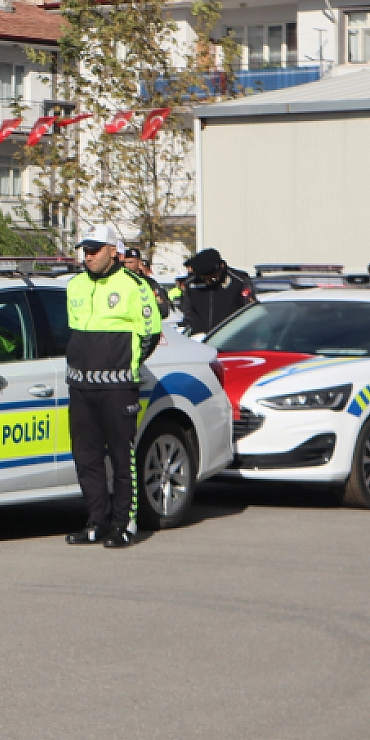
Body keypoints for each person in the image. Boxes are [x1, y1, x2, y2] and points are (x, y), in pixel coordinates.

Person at [65, 222, 161, 549]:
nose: (89, 256)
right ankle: (97, 522)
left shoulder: (134, 285)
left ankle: (124, 523)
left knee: (122, 457)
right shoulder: (75, 285)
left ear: (112, 251)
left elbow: (150, 334)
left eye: (95, 250)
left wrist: (126, 364)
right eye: (85, 251)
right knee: (86, 457)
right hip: (80, 386)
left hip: (118, 387)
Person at [177, 247, 255, 336]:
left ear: (221, 266)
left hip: (231, 337)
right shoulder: (191, 284)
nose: (209, 282)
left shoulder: (239, 281)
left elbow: (250, 311)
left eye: (213, 278)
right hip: (200, 337)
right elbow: (188, 312)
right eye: (205, 279)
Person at [122, 246, 171, 319]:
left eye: (130, 262)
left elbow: (163, 310)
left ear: (139, 263)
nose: (127, 265)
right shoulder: (121, 282)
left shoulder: (149, 283)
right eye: (125, 263)